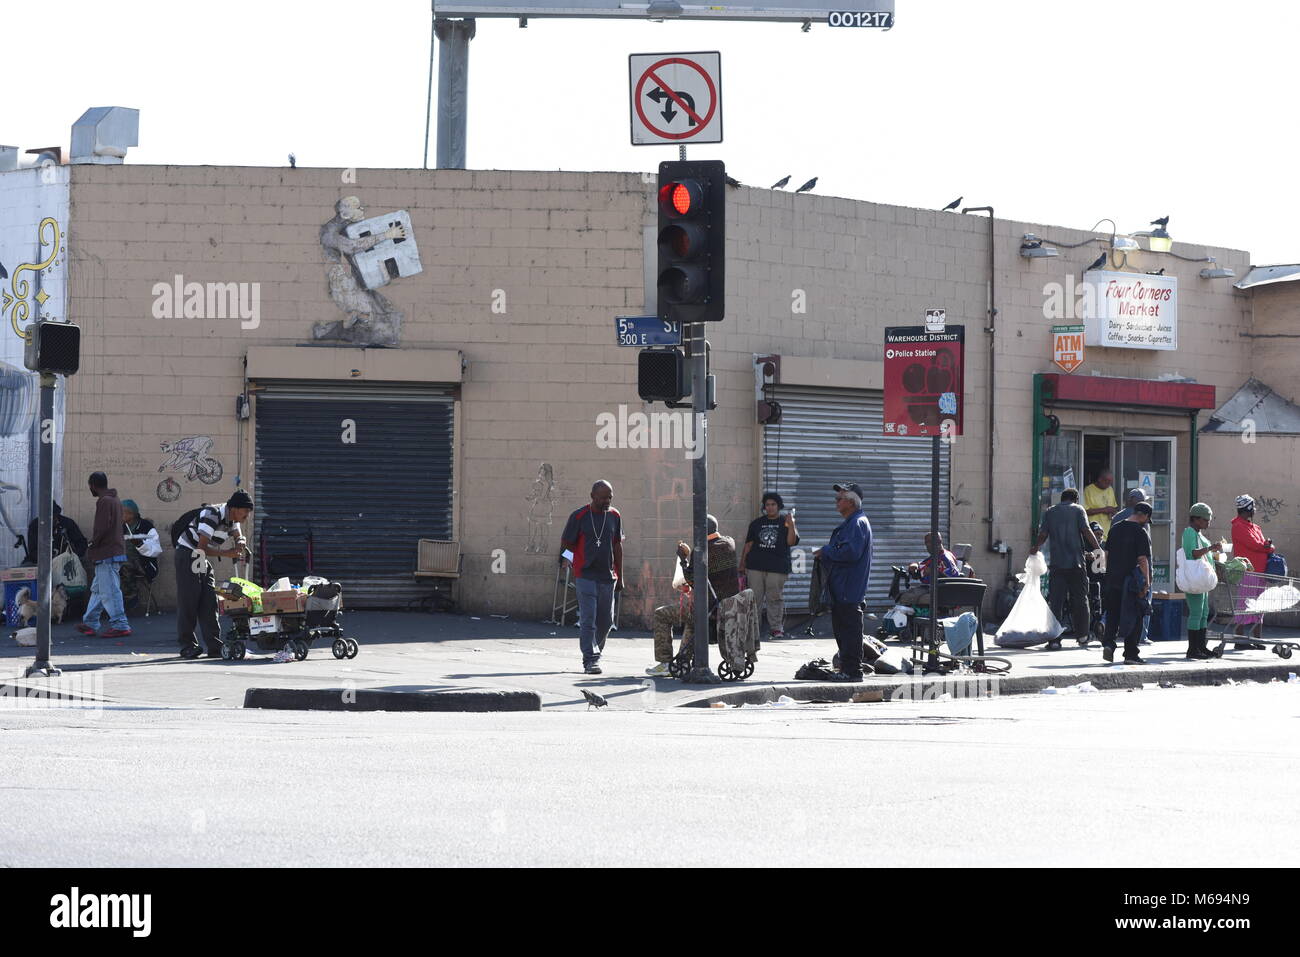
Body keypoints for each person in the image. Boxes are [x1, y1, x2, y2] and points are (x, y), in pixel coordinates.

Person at [175, 491, 253, 659]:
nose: (247, 516)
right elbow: (201, 548)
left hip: (201, 558)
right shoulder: (212, 515)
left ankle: (215, 646)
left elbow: (238, 536)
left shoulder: (233, 519)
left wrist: (241, 543)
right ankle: (187, 646)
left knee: (210, 601)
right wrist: (228, 553)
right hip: (188, 554)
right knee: (189, 601)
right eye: (245, 511)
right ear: (234, 508)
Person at [559, 480, 624, 675]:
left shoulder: (614, 515)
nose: (607, 501)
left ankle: (596, 651)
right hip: (585, 575)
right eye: (603, 498)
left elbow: (617, 545)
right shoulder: (579, 516)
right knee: (588, 619)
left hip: (607, 576)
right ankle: (590, 659)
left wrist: (620, 576)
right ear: (592, 496)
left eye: (610, 497)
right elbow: (567, 543)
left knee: (606, 621)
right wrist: (568, 561)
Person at [817, 482, 873, 681]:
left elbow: (850, 552)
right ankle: (847, 669)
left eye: (839, 499)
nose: (836, 502)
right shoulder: (852, 523)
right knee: (843, 629)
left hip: (848, 588)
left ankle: (852, 671)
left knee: (849, 630)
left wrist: (826, 551)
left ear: (851, 502)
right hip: (842, 587)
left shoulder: (857, 523)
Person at [1031, 488, 1101, 649]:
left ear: (1062, 499)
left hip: (1057, 564)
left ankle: (1054, 640)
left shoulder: (1050, 512)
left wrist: (1036, 547)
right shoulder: (1078, 510)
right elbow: (1086, 530)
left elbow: (1043, 534)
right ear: (1075, 499)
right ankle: (1082, 636)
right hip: (1077, 563)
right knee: (1081, 600)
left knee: (1056, 602)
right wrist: (1098, 548)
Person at [77, 473, 130, 638]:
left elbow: (102, 528)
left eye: (89, 486)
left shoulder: (104, 501)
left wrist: (93, 544)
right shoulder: (114, 500)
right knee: (99, 590)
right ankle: (90, 622)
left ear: (93, 485)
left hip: (106, 552)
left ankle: (120, 624)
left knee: (109, 591)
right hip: (112, 551)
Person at [739, 492, 799, 638]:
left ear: (779, 506)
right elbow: (748, 545)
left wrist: (792, 525)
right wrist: (742, 564)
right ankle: (754, 629)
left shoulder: (786, 522)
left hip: (777, 568)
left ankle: (776, 628)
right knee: (754, 599)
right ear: (764, 507)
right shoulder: (756, 523)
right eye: (767, 505)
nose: (770, 507)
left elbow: (791, 542)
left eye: (773, 504)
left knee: (775, 598)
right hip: (755, 566)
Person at [1101, 501, 1153, 664]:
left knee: (1112, 615)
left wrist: (1109, 574)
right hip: (1130, 583)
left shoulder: (1115, 528)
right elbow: (1142, 559)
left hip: (1112, 580)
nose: (1147, 523)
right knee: (1135, 616)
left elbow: (1106, 554)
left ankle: (1109, 644)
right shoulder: (1140, 532)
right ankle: (1130, 654)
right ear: (1144, 516)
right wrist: (1147, 583)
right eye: (1147, 519)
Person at [1230, 494, 1273, 650]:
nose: (1255, 509)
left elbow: (1264, 545)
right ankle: (1240, 640)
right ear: (1248, 508)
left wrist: (1267, 546)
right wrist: (1267, 547)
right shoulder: (1238, 526)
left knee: (1260, 605)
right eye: (1253, 506)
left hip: (1261, 572)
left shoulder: (1256, 527)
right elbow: (1256, 545)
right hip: (1248, 571)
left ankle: (1257, 639)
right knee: (1244, 605)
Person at [1182, 503, 1218, 660]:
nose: (1208, 523)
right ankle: (1192, 649)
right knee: (1196, 612)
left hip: (1202, 579)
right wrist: (1210, 548)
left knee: (1204, 613)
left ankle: (1201, 647)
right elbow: (1192, 554)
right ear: (1196, 519)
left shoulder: (1199, 535)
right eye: (1205, 520)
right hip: (1194, 578)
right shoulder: (1189, 532)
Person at [896, 531, 962, 609]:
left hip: (940, 590)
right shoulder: (936, 556)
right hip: (931, 587)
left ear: (939, 541)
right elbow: (922, 564)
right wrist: (914, 565)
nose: (927, 545)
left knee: (906, 597)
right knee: (906, 594)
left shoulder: (946, 558)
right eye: (926, 543)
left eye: (929, 542)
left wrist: (936, 572)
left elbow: (954, 576)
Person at [120, 499, 161, 611]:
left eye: (122, 512)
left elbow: (156, 550)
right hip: (122, 561)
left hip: (144, 564)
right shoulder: (121, 526)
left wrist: (140, 544)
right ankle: (111, 604)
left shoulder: (146, 526)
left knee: (124, 564)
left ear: (131, 514)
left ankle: (131, 597)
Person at [21, 501, 87, 565]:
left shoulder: (67, 523)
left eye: (55, 516)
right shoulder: (35, 526)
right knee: (26, 566)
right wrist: (49, 556)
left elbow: (81, 543)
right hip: (41, 561)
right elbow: (33, 551)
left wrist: (72, 556)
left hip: (65, 561)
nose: (54, 519)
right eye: (50, 517)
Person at [1084, 468, 1119, 539]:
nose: (1108, 484)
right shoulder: (1088, 490)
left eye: (1110, 482)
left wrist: (1113, 511)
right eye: (1107, 482)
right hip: (1094, 534)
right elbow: (1085, 511)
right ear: (1100, 479)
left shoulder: (1110, 489)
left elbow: (1114, 507)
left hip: (1108, 533)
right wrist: (1104, 510)